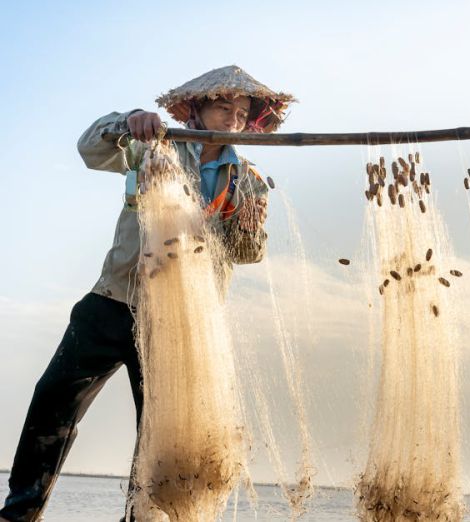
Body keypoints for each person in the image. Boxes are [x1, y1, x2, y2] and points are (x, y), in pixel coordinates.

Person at [0, 65, 294, 522]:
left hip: (179, 324)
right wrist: (129, 118)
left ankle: (140, 518)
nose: (233, 118)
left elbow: (247, 253)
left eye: (241, 112)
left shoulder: (248, 179)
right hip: (113, 300)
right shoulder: (156, 147)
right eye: (223, 106)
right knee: (52, 400)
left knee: (161, 434)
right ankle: (19, 511)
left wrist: (245, 224)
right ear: (194, 109)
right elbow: (91, 149)